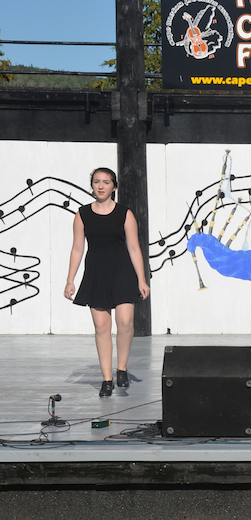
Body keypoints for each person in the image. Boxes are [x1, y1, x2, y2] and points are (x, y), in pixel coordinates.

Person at [64, 168, 150, 397]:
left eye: (106, 182)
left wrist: (142, 279)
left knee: (125, 321)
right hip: (96, 272)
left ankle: (121, 369)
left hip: (122, 271)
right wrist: (70, 279)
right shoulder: (82, 214)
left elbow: (134, 248)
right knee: (102, 327)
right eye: (96, 182)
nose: (101, 186)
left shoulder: (125, 213)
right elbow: (77, 248)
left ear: (114, 186)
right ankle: (107, 379)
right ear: (92, 185)